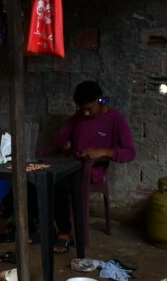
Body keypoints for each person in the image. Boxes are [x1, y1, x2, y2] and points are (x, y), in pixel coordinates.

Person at [49, 80, 136, 253]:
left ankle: (65, 233)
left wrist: (103, 152)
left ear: (101, 101)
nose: (86, 113)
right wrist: (64, 143)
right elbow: (59, 138)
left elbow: (130, 152)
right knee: (46, 178)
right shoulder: (79, 117)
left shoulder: (116, 119)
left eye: (89, 108)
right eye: (83, 109)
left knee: (59, 184)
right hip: (72, 165)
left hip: (92, 171)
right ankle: (41, 227)